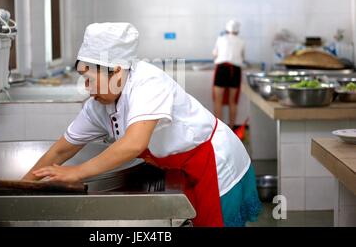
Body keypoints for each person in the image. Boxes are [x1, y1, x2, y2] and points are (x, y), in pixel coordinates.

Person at [22, 22, 261, 227]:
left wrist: (76, 172)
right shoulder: (98, 104)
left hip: (215, 161)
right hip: (183, 167)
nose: (86, 87)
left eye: (89, 78)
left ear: (115, 72)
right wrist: (22, 186)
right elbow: (62, 149)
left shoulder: (148, 82)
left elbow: (133, 144)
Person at [212, 20, 245, 130]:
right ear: (237, 31)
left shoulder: (221, 39)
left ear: (226, 29)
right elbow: (242, 57)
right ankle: (232, 129)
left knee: (218, 101)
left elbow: (215, 54)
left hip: (222, 69)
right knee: (233, 101)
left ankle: (219, 131)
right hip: (235, 71)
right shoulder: (241, 41)